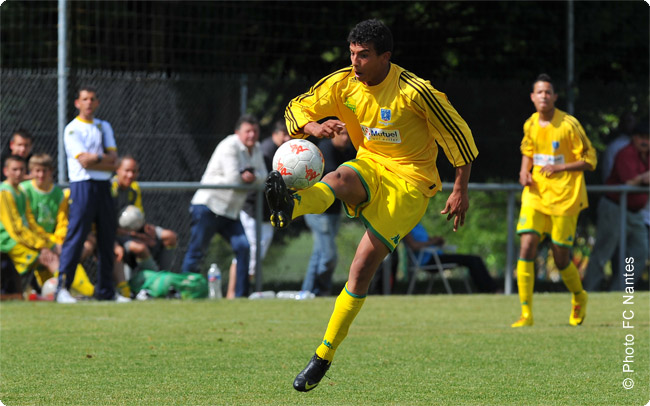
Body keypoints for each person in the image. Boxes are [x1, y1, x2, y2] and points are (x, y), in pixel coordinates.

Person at [265, 19, 477, 391]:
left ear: (385, 57)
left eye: (363, 56)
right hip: (371, 162)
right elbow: (297, 106)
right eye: (352, 54)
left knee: (360, 269)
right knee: (338, 178)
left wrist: (460, 188)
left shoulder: (415, 91)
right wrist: (313, 128)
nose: (355, 62)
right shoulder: (344, 82)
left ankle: (323, 355)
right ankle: (288, 207)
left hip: (411, 184)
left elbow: (458, 134)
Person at [512, 74, 597, 328]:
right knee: (527, 245)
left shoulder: (569, 125)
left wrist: (560, 168)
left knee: (560, 258)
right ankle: (526, 315)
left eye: (548, 92)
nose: (544, 96)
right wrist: (524, 172)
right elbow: (528, 152)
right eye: (539, 92)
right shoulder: (530, 124)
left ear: (555, 97)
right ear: (532, 96)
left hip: (565, 197)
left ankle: (579, 296)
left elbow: (590, 160)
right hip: (536, 195)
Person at [181, 114, 267, 298]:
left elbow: (263, 176)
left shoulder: (257, 148)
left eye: (255, 131)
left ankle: (240, 296)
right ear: (237, 133)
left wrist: (249, 177)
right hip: (208, 206)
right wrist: (249, 177)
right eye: (247, 131)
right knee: (197, 251)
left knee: (244, 247)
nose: (252, 135)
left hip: (230, 212)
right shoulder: (229, 146)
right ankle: (185, 292)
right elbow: (232, 179)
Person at [57, 86, 119, 303]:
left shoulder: (104, 126)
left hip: (104, 187)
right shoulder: (72, 129)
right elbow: (83, 161)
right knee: (77, 235)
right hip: (82, 185)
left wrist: (98, 160)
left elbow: (115, 161)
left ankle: (106, 291)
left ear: (98, 103)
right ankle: (62, 287)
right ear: (77, 103)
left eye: (93, 99)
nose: (89, 103)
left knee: (107, 237)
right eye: (85, 99)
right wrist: (103, 160)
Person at [583, 120, 649, 291]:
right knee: (604, 251)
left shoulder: (647, 156)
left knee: (640, 250)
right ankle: (588, 292)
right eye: (642, 137)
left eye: (648, 138)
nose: (645, 142)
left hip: (635, 212)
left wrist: (640, 180)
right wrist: (643, 179)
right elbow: (629, 182)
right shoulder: (625, 153)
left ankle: (619, 291)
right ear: (634, 138)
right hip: (614, 207)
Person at [20, 153, 94, 297]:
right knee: (53, 258)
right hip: (31, 240)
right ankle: (69, 290)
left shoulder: (58, 194)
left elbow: (62, 222)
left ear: (51, 171)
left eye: (44, 171)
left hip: (51, 241)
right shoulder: (24, 190)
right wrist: (47, 244)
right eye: (37, 171)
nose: (41, 175)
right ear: (31, 172)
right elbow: (28, 222)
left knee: (68, 253)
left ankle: (84, 291)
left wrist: (57, 242)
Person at [230, 120, 291, 298]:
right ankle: (233, 294)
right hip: (253, 210)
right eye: (284, 134)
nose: (287, 138)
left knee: (255, 259)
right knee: (248, 257)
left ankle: (239, 293)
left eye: (290, 135)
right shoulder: (266, 150)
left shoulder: (282, 150)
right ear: (275, 134)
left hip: (266, 213)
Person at [301, 127, 356, 296]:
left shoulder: (349, 150)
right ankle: (320, 290)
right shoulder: (325, 148)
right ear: (333, 134)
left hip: (333, 211)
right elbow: (337, 176)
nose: (346, 138)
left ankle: (308, 292)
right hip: (318, 212)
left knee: (319, 254)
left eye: (348, 133)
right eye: (342, 134)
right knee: (328, 257)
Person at [0, 156, 59, 296]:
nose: (18, 173)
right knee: (49, 259)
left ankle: (51, 293)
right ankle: (64, 289)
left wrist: (45, 241)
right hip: (7, 241)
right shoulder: (5, 192)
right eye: (14, 169)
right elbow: (15, 229)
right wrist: (39, 245)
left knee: (52, 251)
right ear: (5, 171)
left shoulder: (20, 192)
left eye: (22, 169)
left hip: (19, 239)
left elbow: (29, 222)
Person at [112, 155, 178, 274]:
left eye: (134, 171)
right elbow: (107, 226)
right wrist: (139, 237)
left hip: (132, 231)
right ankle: (160, 281)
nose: (130, 175)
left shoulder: (134, 188)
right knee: (140, 247)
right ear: (118, 170)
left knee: (170, 236)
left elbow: (138, 218)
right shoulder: (110, 189)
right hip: (114, 235)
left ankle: (165, 275)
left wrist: (146, 228)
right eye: (127, 171)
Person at [403, 222, 498, 293]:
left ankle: (489, 289)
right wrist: (432, 242)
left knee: (475, 259)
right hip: (429, 260)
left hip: (438, 256)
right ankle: (489, 290)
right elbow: (414, 246)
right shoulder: (406, 228)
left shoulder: (418, 225)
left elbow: (426, 240)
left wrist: (436, 240)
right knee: (471, 260)